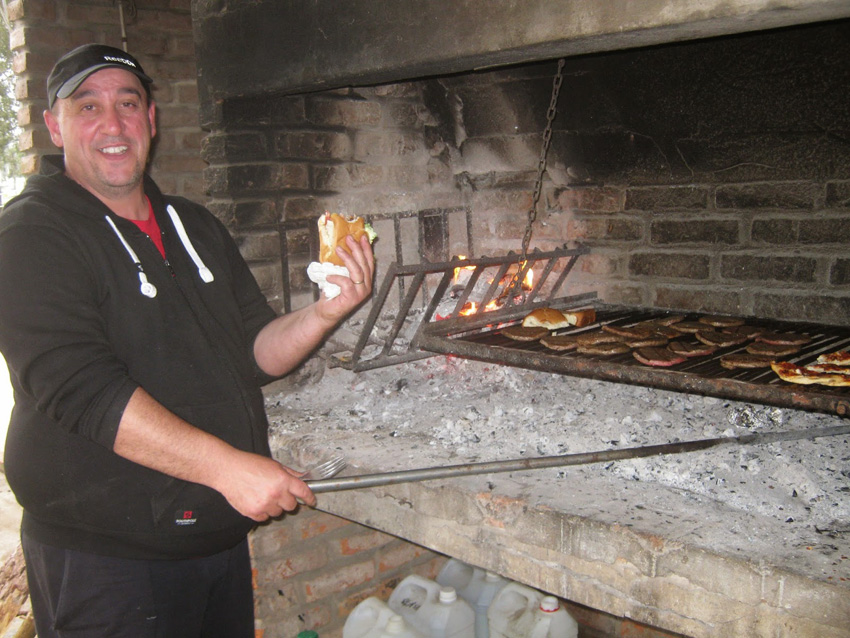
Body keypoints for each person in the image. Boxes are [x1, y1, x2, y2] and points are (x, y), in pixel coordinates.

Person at [0, 44, 374, 638]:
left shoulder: (191, 224)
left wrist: (327, 312)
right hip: (107, 558)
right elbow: (81, 389)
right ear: (54, 125)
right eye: (87, 106)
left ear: (151, 119)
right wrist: (229, 470)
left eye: (128, 104)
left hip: (208, 534)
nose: (113, 124)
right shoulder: (30, 233)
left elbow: (254, 347)